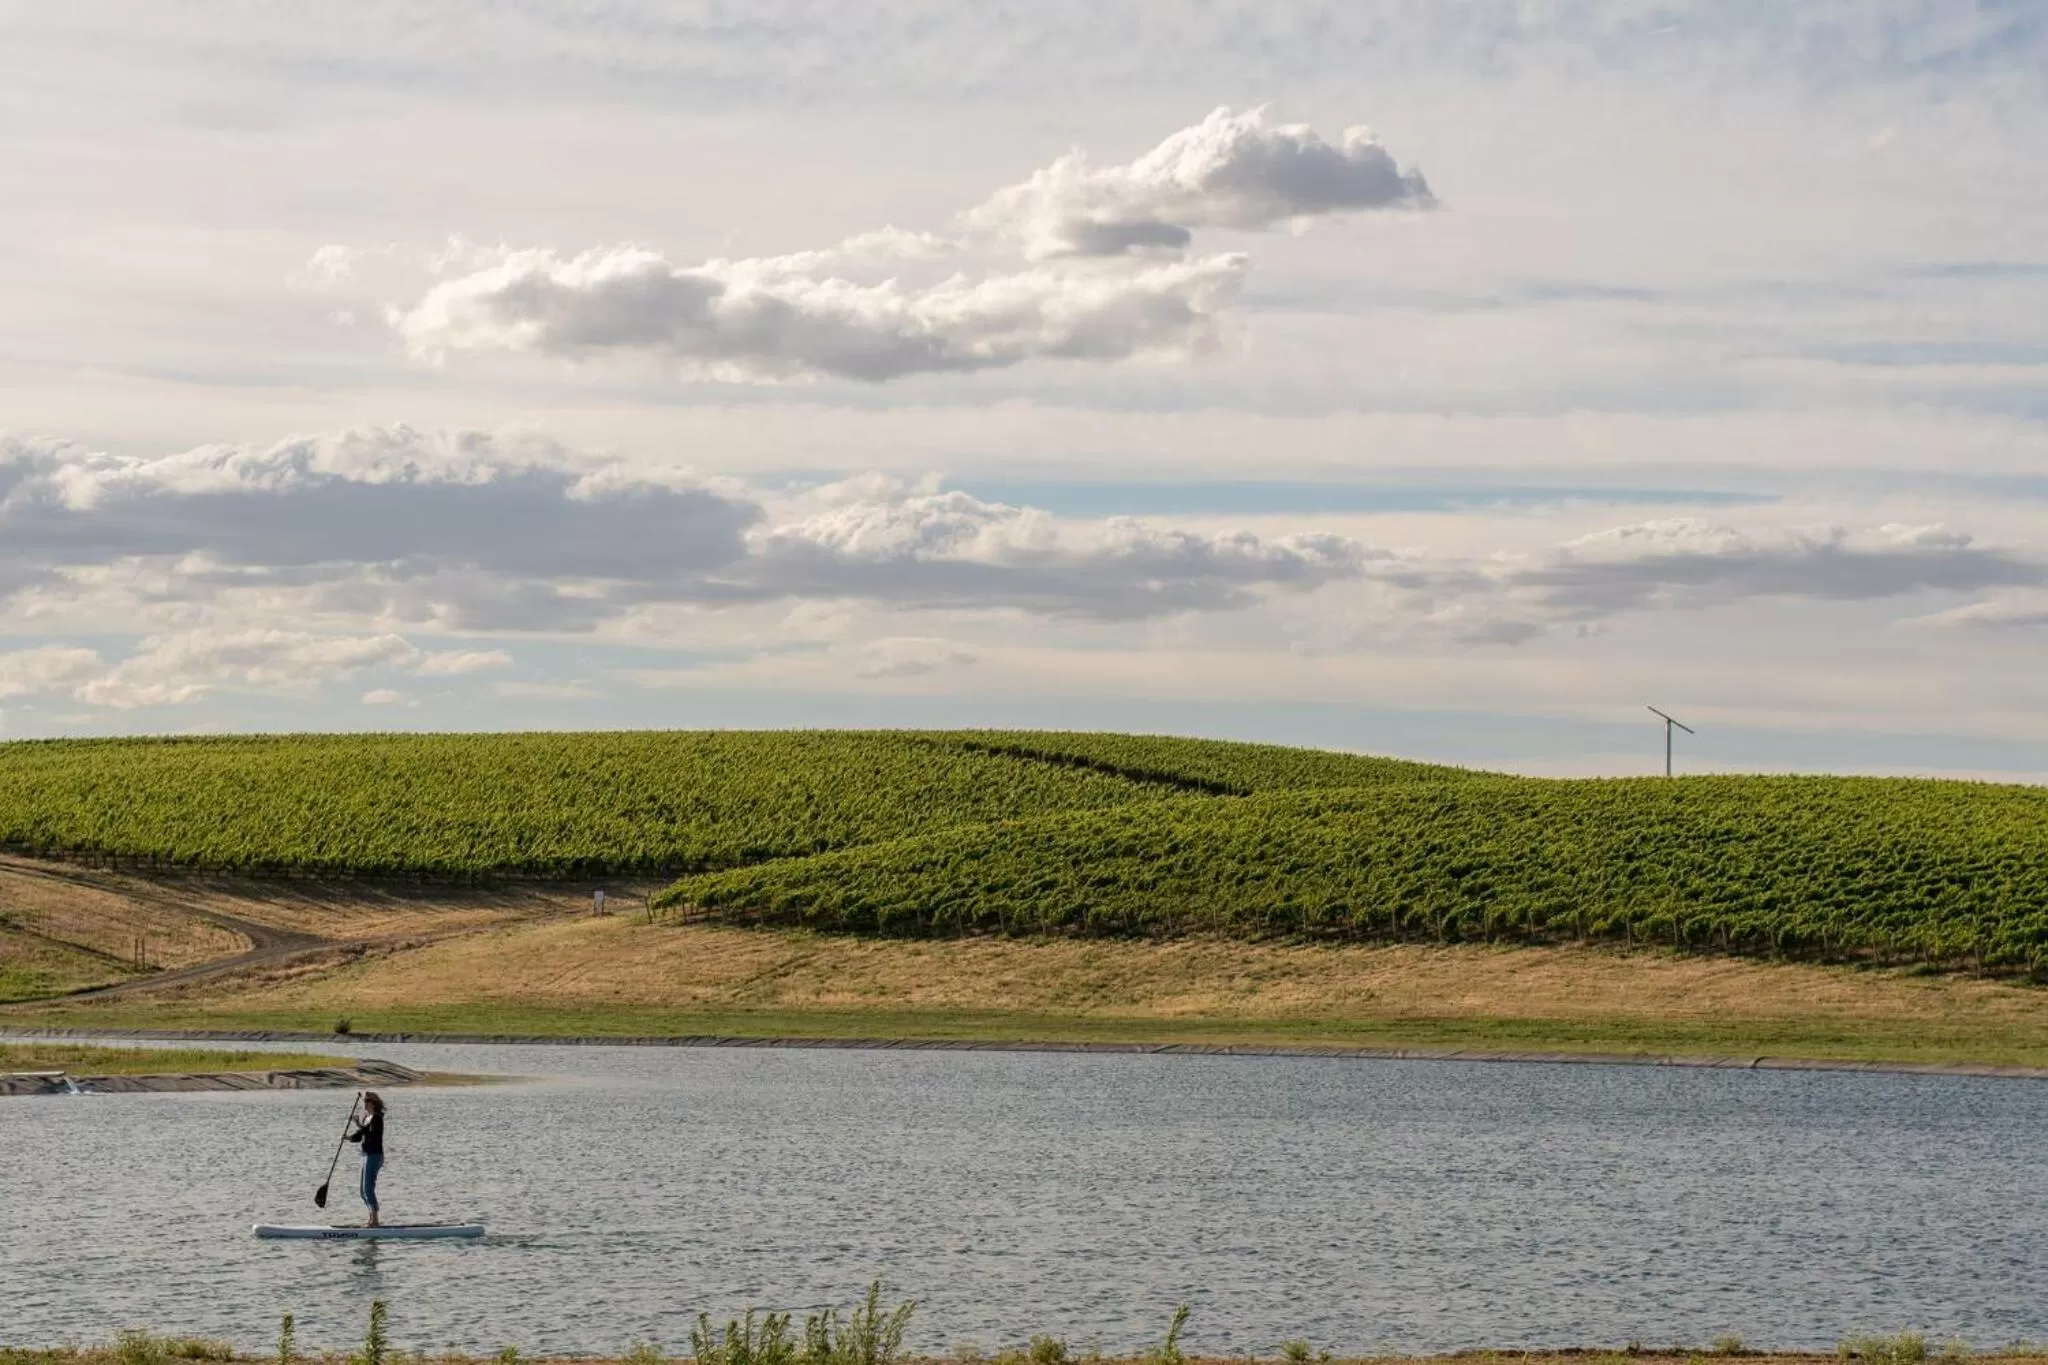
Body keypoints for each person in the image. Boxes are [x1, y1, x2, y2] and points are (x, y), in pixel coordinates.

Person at [344, 1091, 387, 1227]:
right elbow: (360, 1135)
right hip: (366, 1155)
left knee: (368, 1189)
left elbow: (371, 1134)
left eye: (367, 1102)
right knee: (362, 1191)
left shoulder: (377, 1118)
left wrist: (357, 1124)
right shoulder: (366, 1118)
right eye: (364, 1102)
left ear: (373, 1104)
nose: (365, 1105)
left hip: (375, 1156)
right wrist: (348, 1138)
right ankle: (371, 1218)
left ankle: (375, 1220)